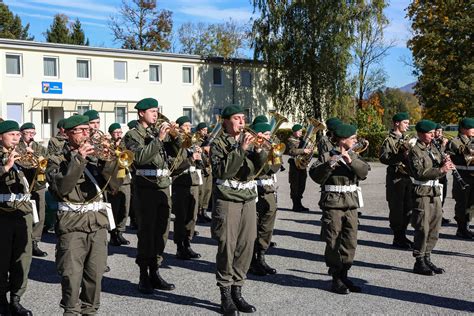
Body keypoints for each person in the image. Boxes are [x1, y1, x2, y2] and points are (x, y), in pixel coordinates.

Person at [46, 115, 121, 314]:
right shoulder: (57, 159)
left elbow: (115, 186)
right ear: (68, 133)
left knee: (94, 276)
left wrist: (109, 162)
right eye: (82, 130)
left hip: (97, 223)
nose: (88, 133)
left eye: (89, 129)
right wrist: (78, 159)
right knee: (71, 276)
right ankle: (70, 311)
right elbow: (61, 188)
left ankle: (90, 311)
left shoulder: (98, 158)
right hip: (72, 224)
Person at [211, 104, 267, 315]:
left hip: (248, 199)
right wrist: (240, 150)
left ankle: (238, 290)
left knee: (246, 245)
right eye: (237, 118)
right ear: (225, 122)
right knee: (227, 246)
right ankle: (225, 293)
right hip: (228, 200)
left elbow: (264, 169)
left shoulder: (251, 141)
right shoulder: (218, 143)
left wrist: (259, 151)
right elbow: (222, 171)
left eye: (243, 117)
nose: (242, 122)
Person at [122, 98, 176, 294]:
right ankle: (143, 274)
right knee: (147, 233)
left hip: (163, 187)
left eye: (157, 111)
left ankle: (155, 270)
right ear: (141, 113)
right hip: (145, 189)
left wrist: (176, 138)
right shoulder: (131, 135)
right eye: (152, 111)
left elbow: (176, 156)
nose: (156, 114)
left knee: (161, 232)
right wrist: (159, 140)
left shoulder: (157, 132)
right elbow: (142, 157)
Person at [309, 123, 369, 294]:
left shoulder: (354, 155)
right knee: (333, 240)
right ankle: (336, 277)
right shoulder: (326, 156)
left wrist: (351, 161)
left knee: (350, 240)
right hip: (333, 203)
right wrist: (329, 165)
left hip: (351, 203)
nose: (356, 140)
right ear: (343, 140)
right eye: (353, 138)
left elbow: (364, 172)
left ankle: (345, 274)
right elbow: (315, 175)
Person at [408, 119, 454, 275]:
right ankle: (419, 260)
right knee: (422, 227)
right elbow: (419, 173)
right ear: (420, 134)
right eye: (429, 132)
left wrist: (446, 161)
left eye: (433, 132)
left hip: (435, 192)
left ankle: (427, 256)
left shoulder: (433, 147)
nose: (433, 134)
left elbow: (439, 163)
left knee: (435, 226)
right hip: (422, 192)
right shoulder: (415, 150)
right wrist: (441, 170)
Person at [0, 120, 34, 316]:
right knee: (2, 258)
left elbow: (33, 186)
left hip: (22, 211)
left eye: (17, 134)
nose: (16, 138)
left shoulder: (23, 155)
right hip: (3, 212)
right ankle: (1, 301)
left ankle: (16, 299)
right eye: (11, 134)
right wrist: (6, 167)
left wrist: (37, 170)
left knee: (22, 258)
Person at [248, 122, 280, 277]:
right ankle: (251, 261)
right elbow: (259, 167)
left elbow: (274, 169)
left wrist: (274, 154)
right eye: (267, 134)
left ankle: (261, 257)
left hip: (268, 190)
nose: (269, 137)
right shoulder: (250, 148)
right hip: (254, 190)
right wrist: (259, 150)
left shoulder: (271, 149)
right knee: (253, 227)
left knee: (266, 227)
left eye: (269, 134)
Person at [379, 112, 414, 249]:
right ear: (397, 123)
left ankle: (403, 235)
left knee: (408, 207)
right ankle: (398, 237)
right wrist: (400, 156)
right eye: (405, 122)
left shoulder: (408, 138)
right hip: (395, 177)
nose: (408, 125)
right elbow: (383, 158)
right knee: (397, 208)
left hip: (407, 176)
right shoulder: (389, 140)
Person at [172, 116, 202, 260]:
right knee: (181, 216)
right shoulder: (176, 144)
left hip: (193, 182)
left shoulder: (192, 144)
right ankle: (180, 246)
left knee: (192, 216)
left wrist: (200, 156)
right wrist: (191, 159)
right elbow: (175, 166)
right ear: (178, 127)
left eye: (190, 126)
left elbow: (202, 165)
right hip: (181, 182)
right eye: (186, 126)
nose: (189, 129)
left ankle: (188, 243)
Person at [18, 122, 49, 257]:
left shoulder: (39, 147)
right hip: (22, 184)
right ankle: (22, 241)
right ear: (21, 133)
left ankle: (35, 242)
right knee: (24, 213)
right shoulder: (16, 147)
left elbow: (46, 162)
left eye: (33, 133)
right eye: (28, 133)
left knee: (40, 214)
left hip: (38, 184)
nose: (31, 136)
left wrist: (35, 154)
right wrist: (25, 153)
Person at [447, 117, 474, 239]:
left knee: (471, 205)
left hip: (473, 177)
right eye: (471, 128)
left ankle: (467, 226)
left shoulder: (472, 140)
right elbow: (459, 157)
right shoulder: (455, 142)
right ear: (463, 129)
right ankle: (461, 228)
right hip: (463, 178)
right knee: (462, 203)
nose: (473, 130)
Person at [107, 123, 131, 246]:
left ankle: (120, 232)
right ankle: (113, 234)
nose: (118, 134)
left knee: (125, 208)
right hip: (114, 181)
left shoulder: (125, 144)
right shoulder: (107, 144)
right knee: (114, 209)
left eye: (120, 132)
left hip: (125, 180)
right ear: (111, 133)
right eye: (116, 132)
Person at [287, 124, 312, 212]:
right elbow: (291, 151)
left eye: (301, 131)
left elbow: (305, 152)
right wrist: (303, 150)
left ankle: (299, 203)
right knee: (295, 185)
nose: (301, 133)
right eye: (299, 131)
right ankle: (295, 205)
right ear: (294, 132)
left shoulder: (301, 140)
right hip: (294, 165)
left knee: (302, 184)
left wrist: (309, 152)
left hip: (301, 165)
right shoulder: (290, 140)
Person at [433, 123, 450, 225]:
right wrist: (443, 146)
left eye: (440, 131)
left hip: (444, 173)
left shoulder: (443, 141)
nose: (439, 133)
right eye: (437, 131)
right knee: (436, 197)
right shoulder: (432, 142)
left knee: (443, 196)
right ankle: (436, 217)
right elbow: (437, 156)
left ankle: (440, 214)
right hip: (435, 173)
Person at [195, 122, 213, 223]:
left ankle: (204, 211)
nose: (205, 132)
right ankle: (198, 212)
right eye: (203, 130)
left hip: (208, 169)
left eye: (206, 130)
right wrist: (203, 149)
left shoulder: (208, 140)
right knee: (201, 192)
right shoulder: (196, 139)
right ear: (199, 131)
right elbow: (194, 149)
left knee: (207, 191)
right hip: (200, 169)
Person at [126, 119, 139, 230]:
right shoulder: (129, 136)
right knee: (133, 198)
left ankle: (136, 219)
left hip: (136, 170)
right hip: (131, 171)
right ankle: (133, 219)